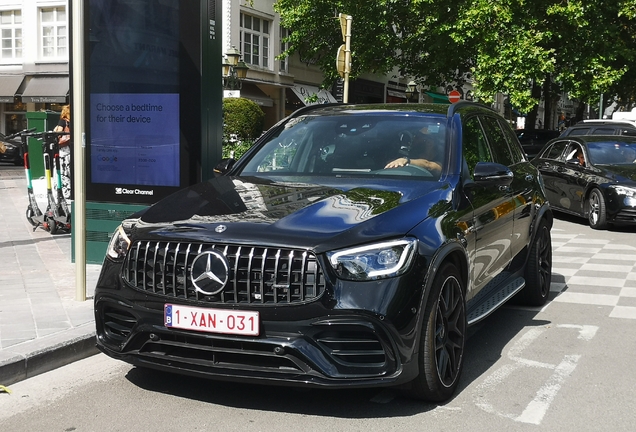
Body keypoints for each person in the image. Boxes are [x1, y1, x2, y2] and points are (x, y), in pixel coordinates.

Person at [53, 105, 72, 200]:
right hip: (71, 150)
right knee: (69, 171)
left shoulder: (63, 121)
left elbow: (58, 134)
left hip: (63, 151)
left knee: (62, 171)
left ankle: (63, 191)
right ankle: (70, 190)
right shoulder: (74, 121)